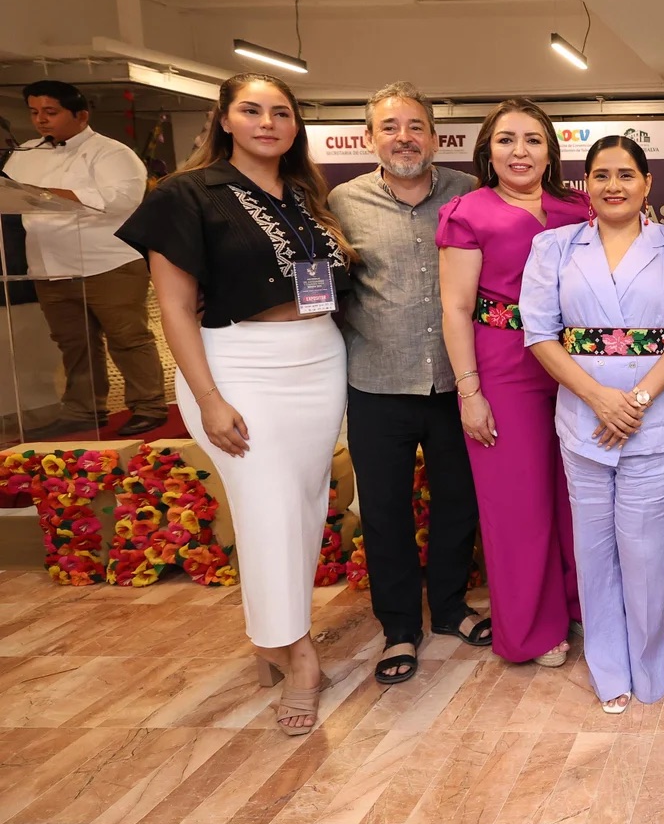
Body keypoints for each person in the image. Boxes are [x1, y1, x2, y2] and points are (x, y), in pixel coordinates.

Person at [116, 72, 354, 734]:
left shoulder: (305, 194)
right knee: (268, 510)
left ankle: (272, 640)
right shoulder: (185, 194)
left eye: (281, 112)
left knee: (302, 508)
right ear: (224, 119)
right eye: (252, 110)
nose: (268, 123)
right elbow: (173, 307)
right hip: (240, 366)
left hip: (317, 359)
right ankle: (297, 656)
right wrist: (208, 398)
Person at [523, 135, 664, 713]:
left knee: (647, 550)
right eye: (601, 175)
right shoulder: (554, 247)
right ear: (586, 184)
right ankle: (609, 669)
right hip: (584, 418)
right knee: (595, 549)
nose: (614, 185)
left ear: (647, 184)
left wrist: (636, 399)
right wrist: (599, 398)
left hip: (655, 421)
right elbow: (539, 333)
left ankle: (649, 664)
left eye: (626, 174)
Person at [329, 82, 480, 684]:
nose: (404, 138)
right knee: (385, 511)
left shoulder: (468, 193)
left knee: (458, 502)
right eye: (390, 127)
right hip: (376, 382)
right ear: (370, 139)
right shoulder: (342, 202)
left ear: (436, 138)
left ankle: (449, 607)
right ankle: (398, 627)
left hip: (455, 383)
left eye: (416, 127)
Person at [437, 99, 588, 668]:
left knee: (577, 496)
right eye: (506, 140)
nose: (519, 152)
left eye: (532, 140)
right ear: (487, 150)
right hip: (503, 366)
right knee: (518, 504)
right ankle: (531, 631)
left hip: (576, 363)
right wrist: (469, 391)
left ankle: (582, 606)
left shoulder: (578, 207)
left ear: (550, 152)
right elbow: (456, 309)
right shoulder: (468, 212)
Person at [8, 80, 166, 437]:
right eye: (34, 112)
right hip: (49, 265)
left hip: (108, 263)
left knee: (128, 339)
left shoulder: (111, 152)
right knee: (73, 343)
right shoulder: (26, 152)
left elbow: (123, 199)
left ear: (80, 115)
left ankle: (149, 406)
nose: (41, 120)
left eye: (51, 112)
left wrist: (49, 195)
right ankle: (84, 409)